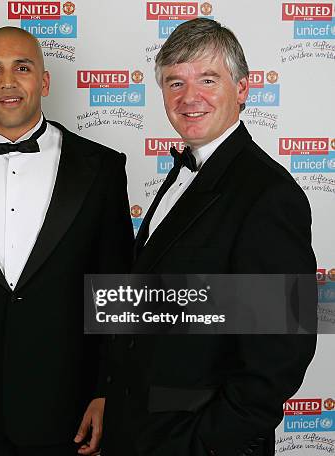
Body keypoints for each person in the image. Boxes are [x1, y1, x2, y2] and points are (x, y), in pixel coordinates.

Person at [101, 18, 317, 456]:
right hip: (139, 430)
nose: (189, 97)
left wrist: (209, 442)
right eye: (175, 82)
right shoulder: (185, 172)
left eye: (207, 79)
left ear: (241, 89)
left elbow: (279, 354)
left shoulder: (268, 194)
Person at [0, 26, 133, 456]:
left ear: (44, 80)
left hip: (69, 413)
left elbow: (115, 288)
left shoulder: (102, 167)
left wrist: (105, 391)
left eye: (22, 67)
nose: (7, 82)